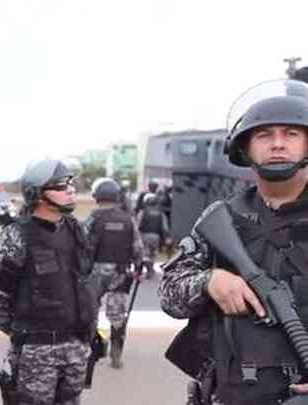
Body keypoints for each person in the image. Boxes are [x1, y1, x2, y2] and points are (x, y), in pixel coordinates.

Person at [160, 82, 308, 405]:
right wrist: (210, 281)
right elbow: (169, 294)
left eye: (291, 134)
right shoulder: (221, 219)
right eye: (264, 135)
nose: (278, 144)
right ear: (246, 148)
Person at [0, 158, 97, 405]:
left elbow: (85, 284)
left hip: (76, 349)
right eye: (60, 186)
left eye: (70, 183)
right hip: (36, 353)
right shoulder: (15, 237)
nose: (70, 189)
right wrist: (27, 337)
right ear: (38, 194)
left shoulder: (76, 230)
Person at [84, 177, 144, 369]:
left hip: (95, 273)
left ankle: (91, 350)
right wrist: (138, 267)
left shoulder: (93, 218)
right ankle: (116, 354)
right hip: (120, 273)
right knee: (117, 315)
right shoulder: (128, 220)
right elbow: (138, 248)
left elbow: (81, 246)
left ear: (97, 196)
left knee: (90, 311)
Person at [136, 192, 171, 279]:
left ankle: (148, 269)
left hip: (144, 236)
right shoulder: (160, 213)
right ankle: (150, 269)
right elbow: (165, 227)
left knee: (145, 254)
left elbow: (137, 225)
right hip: (156, 236)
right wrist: (166, 237)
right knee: (153, 254)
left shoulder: (143, 212)